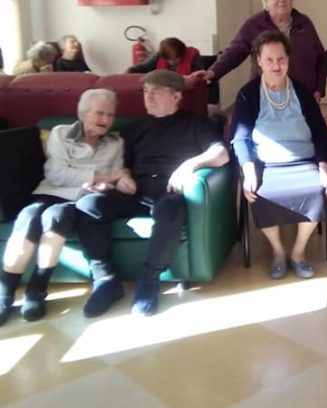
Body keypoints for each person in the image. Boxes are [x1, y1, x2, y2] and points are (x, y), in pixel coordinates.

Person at [75, 70, 229, 317]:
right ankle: (105, 279)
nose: (149, 98)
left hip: (169, 191)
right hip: (135, 192)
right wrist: (123, 176)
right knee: (88, 206)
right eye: (146, 92)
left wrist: (189, 165)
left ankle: (148, 280)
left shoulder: (195, 123)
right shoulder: (136, 129)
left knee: (170, 209)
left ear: (176, 96)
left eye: (156, 92)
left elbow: (221, 154)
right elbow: (121, 164)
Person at [0, 89, 124, 325]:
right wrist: (100, 176)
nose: (106, 120)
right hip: (48, 192)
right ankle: (5, 291)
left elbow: (115, 181)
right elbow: (55, 173)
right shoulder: (60, 133)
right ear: (83, 113)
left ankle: (37, 289)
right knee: (29, 217)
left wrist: (104, 184)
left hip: (76, 200)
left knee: (58, 216)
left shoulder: (115, 143)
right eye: (100, 113)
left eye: (110, 115)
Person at [231, 31, 327, 280]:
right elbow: (240, 138)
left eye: (281, 59)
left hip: (303, 160)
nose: (276, 65)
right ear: (259, 60)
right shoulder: (248, 94)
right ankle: (278, 252)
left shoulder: (301, 92)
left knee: (317, 190)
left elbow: (321, 133)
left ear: (289, 59)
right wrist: (248, 170)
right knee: (259, 192)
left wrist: (324, 166)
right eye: (270, 60)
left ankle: (298, 252)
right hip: (266, 164)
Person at [192, 0, 327, 101]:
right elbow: (234, 52)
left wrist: (319, 89)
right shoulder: (254, 25)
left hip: (302, 96)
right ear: (265, 1)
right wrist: (213, 72)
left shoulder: (304, 23)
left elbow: (321, 57)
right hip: (266, 97)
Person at [128, 37, 204, 76]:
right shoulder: (161, 55)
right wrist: (129, 70)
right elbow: (143, 67)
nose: (171, 62)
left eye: (175, 59)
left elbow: (199, 77)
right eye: (168, 60)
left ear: (182, 54)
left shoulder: (193, 55)